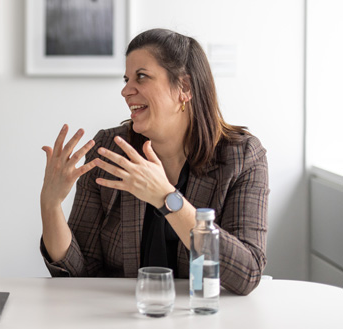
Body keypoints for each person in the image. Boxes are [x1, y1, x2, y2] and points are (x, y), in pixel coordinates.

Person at [39, 28, 268, 295]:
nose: (125, 90)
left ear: (184, 87)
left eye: (142, 77)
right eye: (126, 79)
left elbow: (247, 273)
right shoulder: (109, 150)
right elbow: (79, 274)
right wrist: (50, 204)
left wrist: (166, 197)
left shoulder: (242, 156)